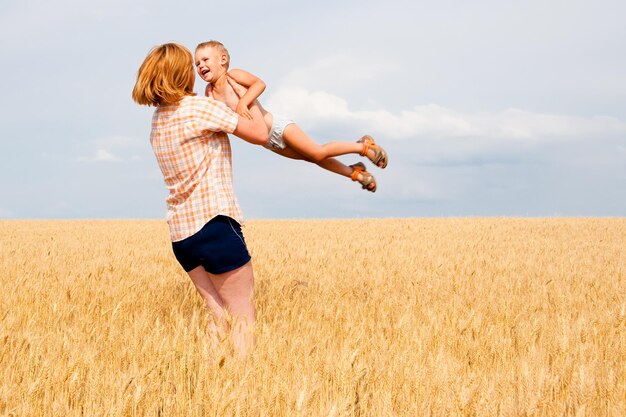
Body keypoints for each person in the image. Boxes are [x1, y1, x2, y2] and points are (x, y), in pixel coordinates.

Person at [132, 43, 269, 356]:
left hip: (182, 236)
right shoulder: (197, 109)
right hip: (214, 224)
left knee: (219, 317)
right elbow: (260, 133)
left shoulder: (157, 121)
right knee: (242, 317)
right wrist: (247, 95)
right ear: (182, 74)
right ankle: (241, 389)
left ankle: (204, 382)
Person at [194, 40, 388, 192]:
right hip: (267, 142)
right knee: (313, 158)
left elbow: (259, 84)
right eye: (197, 63)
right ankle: (356, 173)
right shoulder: (209, 93)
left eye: (205, 60)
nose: (200, 65)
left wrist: (244, 102)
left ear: (223, 59)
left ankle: (363, 146)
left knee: (317, 152)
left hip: (278, 127)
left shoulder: (233, 76)